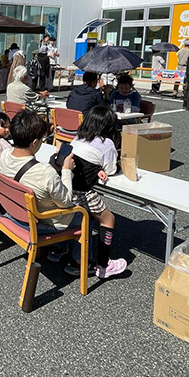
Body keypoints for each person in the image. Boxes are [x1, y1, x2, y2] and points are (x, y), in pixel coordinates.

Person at [0, 112, 81, 276]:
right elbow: (66, 202)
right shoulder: (45, 172)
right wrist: (66, 170)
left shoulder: (5, 155)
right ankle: (81, 262)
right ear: (34, 142)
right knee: (85, 215)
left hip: (13, 213)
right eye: (42, 139)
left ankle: (58, 249)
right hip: (41, 222)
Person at [49, 105, 126, 278]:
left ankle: (58, 249)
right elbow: (111, 169)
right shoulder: (107, 144)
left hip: (64, 188)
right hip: (81, 192)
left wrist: (96, 168)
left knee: (85, 217)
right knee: (108, 219)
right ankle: (103, 264)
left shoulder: (78, 136)